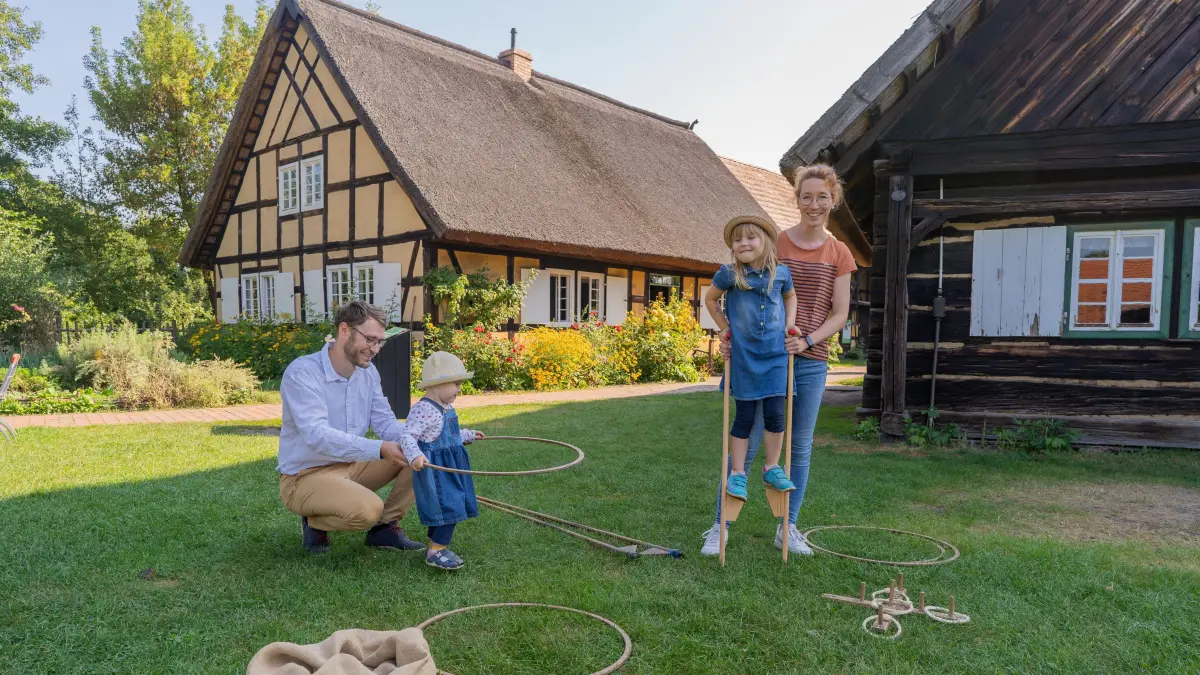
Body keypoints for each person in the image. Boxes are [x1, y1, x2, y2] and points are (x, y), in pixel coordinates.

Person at [700, 164, 856, 557]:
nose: (814, 204)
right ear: (797, 199)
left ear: (832, 200)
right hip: (759, 358)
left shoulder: (840, 252)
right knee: (746, 440)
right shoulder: (774, 243)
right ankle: (720, 527)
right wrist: (727, 331)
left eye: (822, 197)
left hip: (810, 356)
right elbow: (731, 292)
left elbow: (840, 313)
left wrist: (806, 340)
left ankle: (788, 528)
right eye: (807, 196)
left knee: (797, 448)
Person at [277, 300, 425, 555]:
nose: (375, 348)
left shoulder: (368, 374)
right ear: (344, 330)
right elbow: (316, 436)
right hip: (304, 476)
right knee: (368, 510)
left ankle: (384, 529)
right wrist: (379, 449)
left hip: (352, 466)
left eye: (380, 341)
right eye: (370, 339)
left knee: (419, 450)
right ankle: (314, 520)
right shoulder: (302, 373)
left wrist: (425, 437)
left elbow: (385, 423)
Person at [704, 215, 798, 519]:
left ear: (766, 242)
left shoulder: (781, 274)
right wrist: (723, 328)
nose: (743, 243)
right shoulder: (729, 275)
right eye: (738, 240)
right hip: (744, 357)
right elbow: (710, 300)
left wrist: (790, 324)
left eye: (751, 238)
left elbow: (790, 297)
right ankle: (738, 473)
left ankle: (772, 468)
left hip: (775, 356)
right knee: (744, 417)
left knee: (775, 414)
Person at [397, 351, 485, 570]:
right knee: (449, 505)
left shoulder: (445, 406)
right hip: (437, 471)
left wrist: (468, 435)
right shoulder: (424, 409)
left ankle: (436, 543)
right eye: (455, 383)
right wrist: (415, 455)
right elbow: (407, 435)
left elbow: (449, 435)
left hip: (451, 467)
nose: (459, 388)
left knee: (451, 503)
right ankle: (436, 551)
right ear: (437, 384)